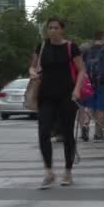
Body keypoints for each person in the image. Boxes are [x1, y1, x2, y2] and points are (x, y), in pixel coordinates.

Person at [29, 18, 85, 189]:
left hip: (67, 95)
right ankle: (48, 171)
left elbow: (82, 70)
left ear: (62, 30)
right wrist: (32, 73)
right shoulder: (43, 46)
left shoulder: (71, 47)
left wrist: (77, 89)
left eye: (56, 28)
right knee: (43, 131)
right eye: (50, 28)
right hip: (46, 95)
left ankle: (68, 171)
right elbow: (32, 66)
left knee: (67, 133)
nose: (52, 30)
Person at [81, 31, 104, 142]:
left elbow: (83, 68)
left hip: (89, 84)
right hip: (102, 83)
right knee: (100, 108)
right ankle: (98, 133)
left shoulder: (87, 51)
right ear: (103, 38)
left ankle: (85, 125)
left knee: (89, 107)